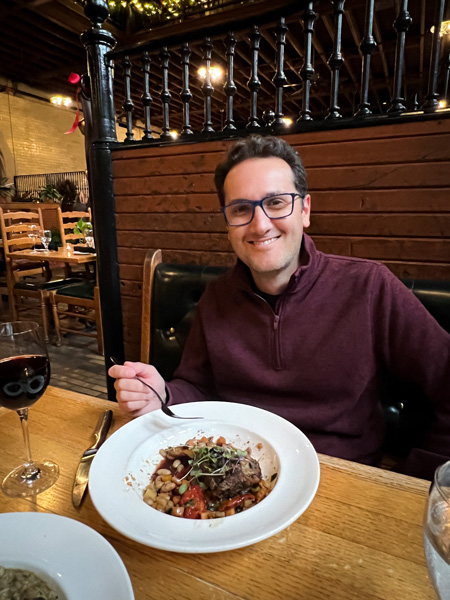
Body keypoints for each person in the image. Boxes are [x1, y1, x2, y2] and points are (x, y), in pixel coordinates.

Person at [109, 135, 450, 480]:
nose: (260, 224)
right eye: (241, 209)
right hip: (236, 472)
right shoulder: (216, 297)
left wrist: (419, 480)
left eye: (276, 202)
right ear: (228, 224)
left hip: (343, 476)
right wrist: (163, 393)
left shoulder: (369, 287)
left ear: (304, 211)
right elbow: (199, 387)